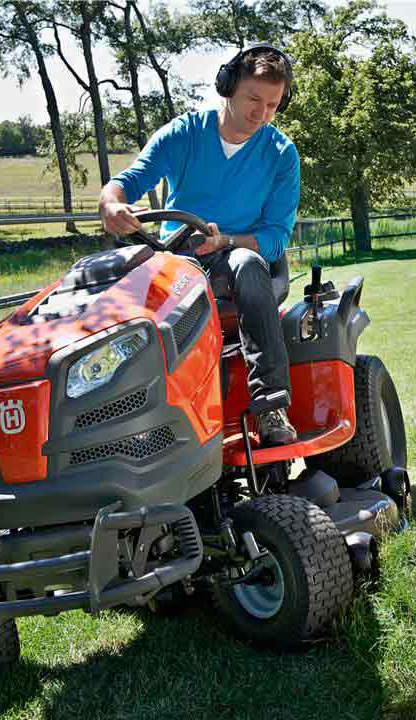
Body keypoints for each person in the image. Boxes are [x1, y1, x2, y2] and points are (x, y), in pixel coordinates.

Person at [98, 43, 300, 446]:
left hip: (238, 262)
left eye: (273, 105)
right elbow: (130, 180)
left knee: (244, 262)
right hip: (176, 259)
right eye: (253, 99)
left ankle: (271, 404)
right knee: (110, 281)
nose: (261, 113)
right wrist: (111, 203)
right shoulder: (184, 134)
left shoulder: (281, 155)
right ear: (227, 87)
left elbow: (276, 237)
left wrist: (225, 240)